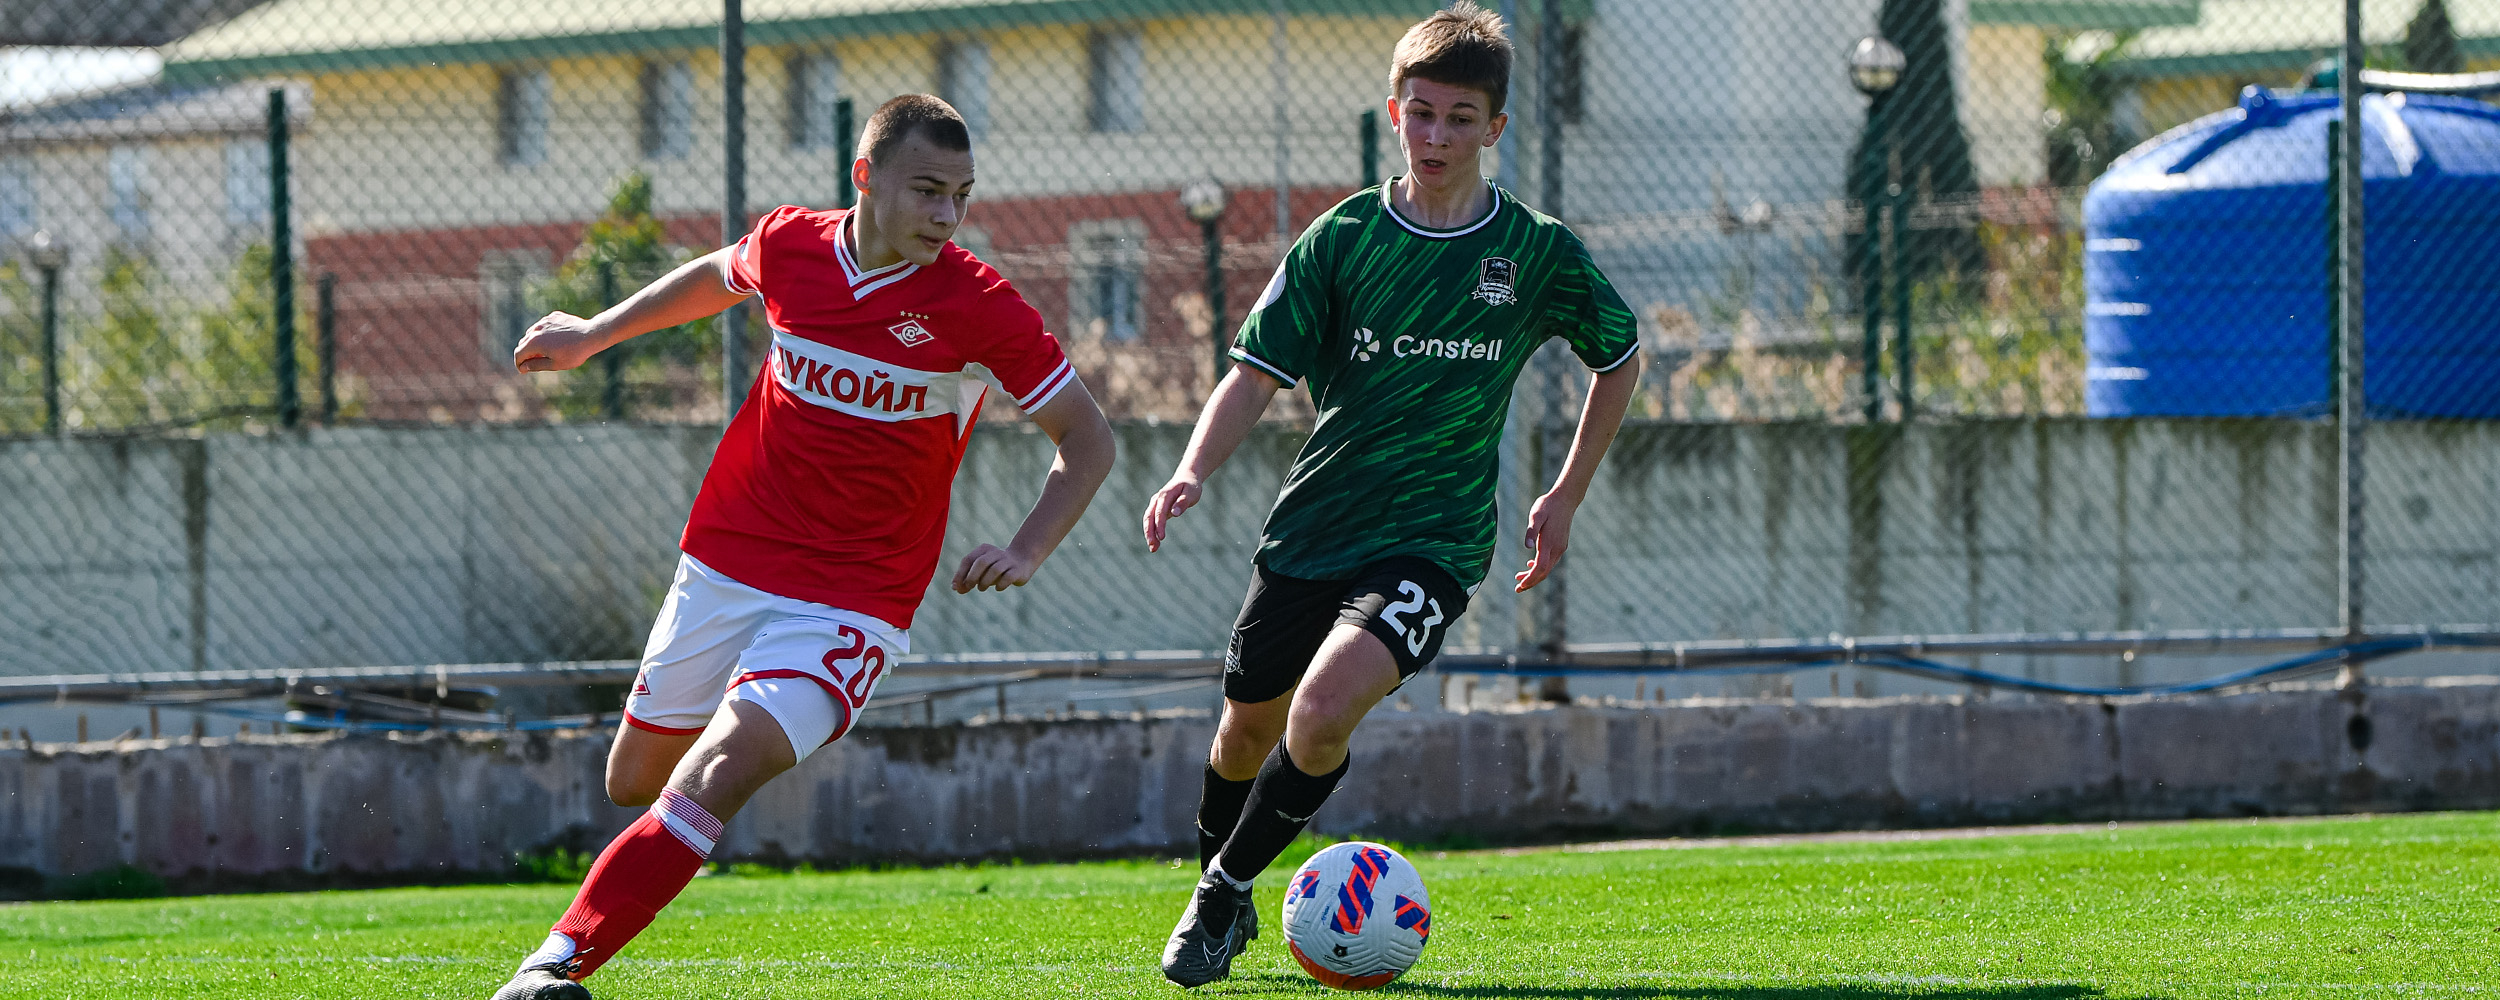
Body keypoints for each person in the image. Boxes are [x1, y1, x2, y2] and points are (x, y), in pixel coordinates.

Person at [487, 94, 1116, 1000]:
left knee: (717, 772)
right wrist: (594, 334)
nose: (947, 215)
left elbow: (1088, 440)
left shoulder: (980, 306)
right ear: (865, 177)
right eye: (927, 190)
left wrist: (1027, 549)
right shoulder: (792, 245)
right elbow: (717, 276)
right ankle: (720, 745)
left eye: (962, 195)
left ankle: (553, 966)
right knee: (634, 779)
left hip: (855, 599)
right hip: (729, 558)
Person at [1140, 3, 1643, 986]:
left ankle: (1218, 893)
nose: (1437, 135)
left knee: (1322, 708)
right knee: (1245, 731)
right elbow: (1253, 372)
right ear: (1393, 113)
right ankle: (1224, 890)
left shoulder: (1533, 250)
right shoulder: (1345, 237)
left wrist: (1564, 494)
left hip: (1436, 539)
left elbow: (1618, 358)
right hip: (1316, 524)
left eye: (1461, 118)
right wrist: (1192, 467)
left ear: (1495, 128)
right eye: (1421, 112)